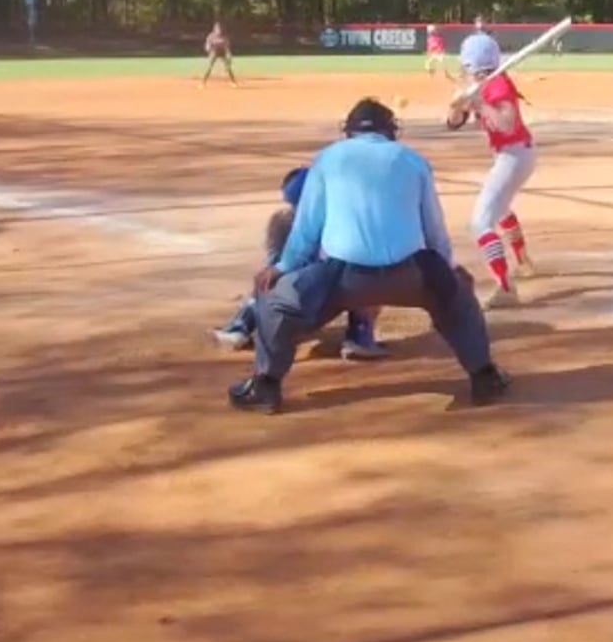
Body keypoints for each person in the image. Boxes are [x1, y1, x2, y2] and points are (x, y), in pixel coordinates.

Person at [229, 98, 508, 415]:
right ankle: (485, 376)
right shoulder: (413, 161)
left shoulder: (328, 159)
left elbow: (306, 230)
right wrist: (450, 269)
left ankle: (265, 386)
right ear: (391, 131)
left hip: (343, 279)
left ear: (348, 131)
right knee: (459, 297)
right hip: (410, 275)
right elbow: (434, 230)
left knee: (272, 300)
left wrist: (282, 268)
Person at [213, 165, 388, 360]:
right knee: (369, 274)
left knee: (268, 277)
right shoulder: (348, 223)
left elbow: (274, 267)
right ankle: (360, 337)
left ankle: (240, 327)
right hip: (328, 306)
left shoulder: (281, 221)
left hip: (287, 306)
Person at [446, 33, 536, 308]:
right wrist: (457, 106)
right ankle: (523, 261)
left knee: (481, 223)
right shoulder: (478, 85)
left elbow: (507, 125)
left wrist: (480, 104)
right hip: (511, 155)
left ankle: (506, 288)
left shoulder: (497, 84)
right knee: (501, 208)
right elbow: (453, 123)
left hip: (515, 155)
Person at [201, 21, 239, 88]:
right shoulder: (211, 36)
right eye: (217, 28)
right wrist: (208, 49)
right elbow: (207, 45)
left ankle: (233, 82)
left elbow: (227, 48)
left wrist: (229, 55)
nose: (219, 30)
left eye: (220, 28)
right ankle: (203, 83)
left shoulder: (224, 37)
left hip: (222, 52)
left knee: (228, 67)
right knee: (209, 67)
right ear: (214, 29)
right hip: (214, 51)